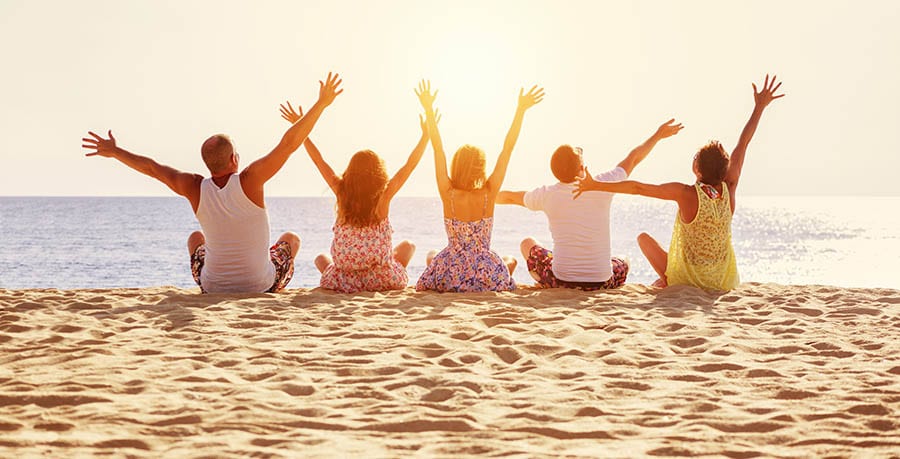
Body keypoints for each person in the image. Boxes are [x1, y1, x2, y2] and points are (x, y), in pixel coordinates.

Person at [82, 73, 344, 293]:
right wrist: (321, 104)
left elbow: (152, 168)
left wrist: (116, 152)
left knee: (196, 238)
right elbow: (289, 144)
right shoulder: (250, 180)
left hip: (212, 287)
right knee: (291, 240)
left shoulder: (194, 187)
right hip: (261, 285)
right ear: (234, 159)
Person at [574, 75, 784, 291]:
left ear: (697, 169)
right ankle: (667, 279)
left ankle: (666, 280)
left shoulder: (686, 193)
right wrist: (759, 107)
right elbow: (744, 143)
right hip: (722, 281)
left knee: (643, 239)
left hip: (688, 280)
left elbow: (638, 188)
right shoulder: (729, 186)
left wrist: (595, 185)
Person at [497, 119, 683, 290]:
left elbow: (510, 197)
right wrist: (658, 135)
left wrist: (484, 194)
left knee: (527, 243)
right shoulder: (604, 184)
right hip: (601, 282)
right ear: (581, 167)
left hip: (561, 281)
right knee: (624, 259)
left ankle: (542, 280)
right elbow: (633, 158)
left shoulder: (547, 194)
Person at [278, 100, 429, 293]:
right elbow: (409, 166)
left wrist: (301, 128)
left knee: (320, 259)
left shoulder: (342, 193)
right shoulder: (383, 198)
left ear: (351, 171)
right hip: (381, 280)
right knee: (408, 247)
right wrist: (425, 137)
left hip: (344, 281)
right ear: (379, 174)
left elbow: (318, 160)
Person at [414, 79, 544, 292]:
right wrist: (520, 110)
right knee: (509, 260)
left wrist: (428, 109)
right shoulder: (489, 193)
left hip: (451, 269)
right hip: (484, 268)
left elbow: (438, 149)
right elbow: (507, 149)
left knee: (432, 255)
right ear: (481, 167)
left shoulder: (447, 192)